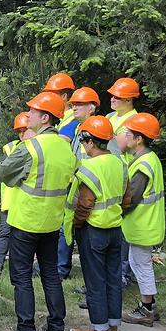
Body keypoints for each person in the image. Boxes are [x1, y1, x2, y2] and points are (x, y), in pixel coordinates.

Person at [0, 91, 76, 331]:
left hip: (26, 221)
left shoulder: (30, 147)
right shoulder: (66, 147)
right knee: (51, 275)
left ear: (44, 117)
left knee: (21, 278)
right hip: (52, 222)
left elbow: (5, 173)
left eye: (32, 111)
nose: (27, 114)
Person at [65, 116, 136, 331]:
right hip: (115, 229)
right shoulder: (120, 163)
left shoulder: (88, 167)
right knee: (113, 278)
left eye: (83, 140)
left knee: (95, 280)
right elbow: (127, 198)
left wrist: (76, 224)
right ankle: (113, 329)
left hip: (93, 230)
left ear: (89, 141)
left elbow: (85, 203)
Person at [119, 113, 165, 327]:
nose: (124, 136)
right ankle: (150, 305)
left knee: (141, 265)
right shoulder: (148, 158)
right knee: (139, 263)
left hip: (142, 225)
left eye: (128, 133)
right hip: (144, 225)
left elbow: (132, 197)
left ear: (139, 139)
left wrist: (115, 211)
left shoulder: (144, 163)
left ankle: (146, 309)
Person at [57, 86, 100, 280]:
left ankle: (88, 277)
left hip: (89, 188)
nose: (74, 108)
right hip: (76, 185)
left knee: (85, 233)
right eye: (73, 104)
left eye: (79, 104)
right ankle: (62, 269)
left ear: (91, 108)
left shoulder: (98, 128)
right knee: (67, 228)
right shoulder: (78, 127)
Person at [0, 113, 32, 280]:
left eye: (25, 130)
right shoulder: (10, 148)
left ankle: (23, 267)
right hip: (11, 200)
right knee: (5, 233)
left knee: (25, 236)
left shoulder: (37, 147)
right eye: (19, 131)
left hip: (27, 200)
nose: (22, 134)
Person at [105, 78, 140, 155]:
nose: (112, 99)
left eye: (117, 97)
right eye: (112, 96)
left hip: (121, 165)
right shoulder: (110, 116)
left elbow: (120, 147)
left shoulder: (135, 121)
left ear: (129, 100)